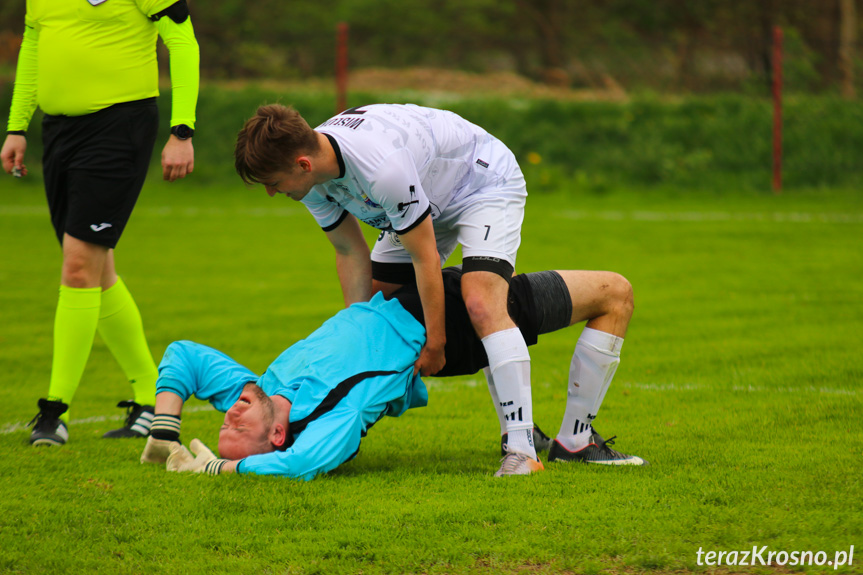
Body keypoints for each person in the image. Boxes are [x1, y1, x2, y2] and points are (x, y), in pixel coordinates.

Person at [234, 103, 543, 475]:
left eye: (273, 182)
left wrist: (436, 343)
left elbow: (425, 258)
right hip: (425, 193)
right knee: (381, 307)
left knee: (480, 300)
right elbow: (349, 250)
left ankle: (523, 448)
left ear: (302, 165)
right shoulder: (312, 176)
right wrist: (352, 340)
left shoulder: (381, 170)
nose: (271, 192)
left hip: (480, 181)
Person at [139, 266, 646, 480]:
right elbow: (301, 464)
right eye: (237, 429)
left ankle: (528, 433)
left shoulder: (258, 390)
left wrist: (166, 431)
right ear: (276, 434)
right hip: (444, 319)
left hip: (409, 294)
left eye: (224, 423)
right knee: (614, 292)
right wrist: (219, 467)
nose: (229, 415)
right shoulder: (338, 414)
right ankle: (575, 441)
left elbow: (183, 355)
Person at [1, 0, 200, 446]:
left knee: (77, 268)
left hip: (118, 126)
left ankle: (54, 411)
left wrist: (182, 129)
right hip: (58, 131)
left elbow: (182, 40)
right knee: (95, 269)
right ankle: (152, 401)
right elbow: (33, 46)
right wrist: (17, 126)